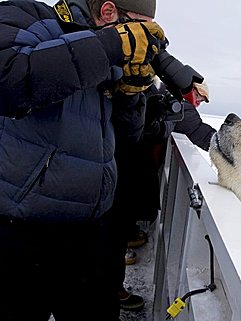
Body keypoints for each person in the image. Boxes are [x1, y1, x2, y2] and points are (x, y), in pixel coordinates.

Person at [0, 0, 165, 320]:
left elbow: (128, 136)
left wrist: (132, 93)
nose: (143, 38)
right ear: (108, 12)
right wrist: (113, 44)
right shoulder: (27, 16)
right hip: (17, 230)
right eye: (138, 26)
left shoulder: (109, 56)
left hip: (89, 232)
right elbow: (9, 81)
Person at [110, 76, 216, 311]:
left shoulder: (162, 94)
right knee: (114, 228)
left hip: (123, 170)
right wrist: (227, 147)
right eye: (199, 97)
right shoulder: (177, 102)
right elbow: (199, 132)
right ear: (191, 91)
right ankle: (110, 289)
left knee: (116, 223)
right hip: (127, 172)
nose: (198, 103)